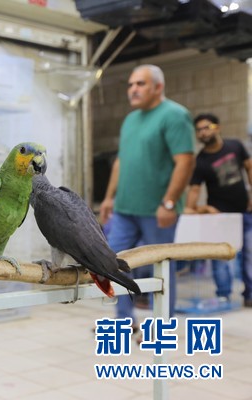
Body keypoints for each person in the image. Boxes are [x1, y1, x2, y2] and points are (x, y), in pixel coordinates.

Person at [99, 64, 195, 326]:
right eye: (131, 84)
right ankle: (124, 320)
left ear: (158, 87)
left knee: (161, 268)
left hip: (157, 210)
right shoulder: (130, 120)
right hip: (124, 209)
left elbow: (185, 161)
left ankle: (162, 325)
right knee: (113, 262)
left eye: (140, 84)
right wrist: (109, 197)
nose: (133, 89)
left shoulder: (174, 115)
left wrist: (170, 202)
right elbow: (121, 162)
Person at [185, 113, 252, 307]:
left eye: (207, 127)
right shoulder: (200, 161)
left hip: (245, 212)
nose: (203, 132)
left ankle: (250, 295)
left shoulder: (235, 146)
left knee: (250, 255)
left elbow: (249, 167)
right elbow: (194, 192)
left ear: (218, 127)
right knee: (221, 259)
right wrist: (202, 208)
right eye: (199, 130)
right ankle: (223, 296)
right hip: (220, 218)